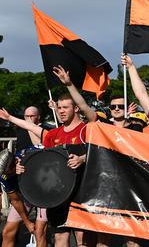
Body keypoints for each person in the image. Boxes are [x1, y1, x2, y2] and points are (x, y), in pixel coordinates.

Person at [10, 94, 88, 247]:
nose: (61, 111)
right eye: (59, 107)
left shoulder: (87, 129)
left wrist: (82, 158)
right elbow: (42, 163)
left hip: (82, 194)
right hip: (58, 195)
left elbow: (100, 154)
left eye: (65, 107)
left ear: (77, 108)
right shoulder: (52, 134)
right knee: (60, 239)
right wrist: (22, 168)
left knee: (82, 241)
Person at [0, 107, 49, 247]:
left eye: (9, 171)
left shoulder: (31, 151)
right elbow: (15, 200)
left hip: (43, 191)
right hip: (24, 196)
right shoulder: (3, 175)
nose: (7, 174)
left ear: (13, 162)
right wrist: (27, 222)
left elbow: (47, 151)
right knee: (7, 232)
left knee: (40, 231)